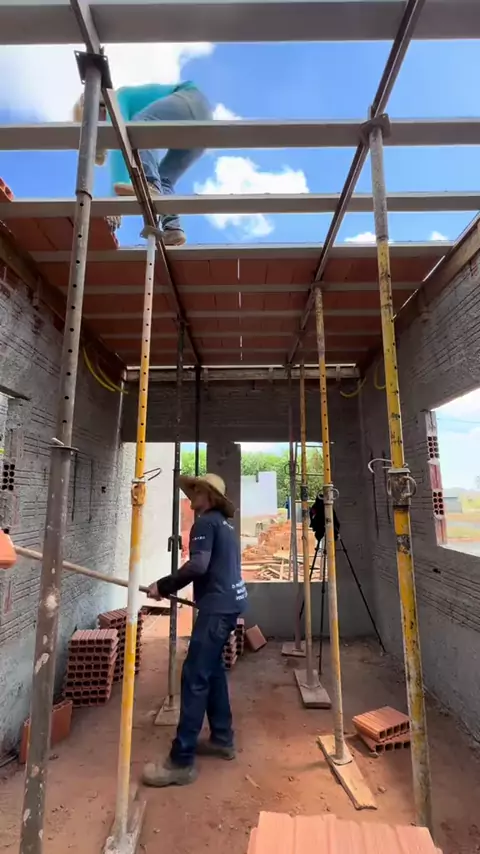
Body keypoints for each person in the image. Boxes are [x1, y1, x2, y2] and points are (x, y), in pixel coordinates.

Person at [142, 472, 247, 788]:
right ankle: (222, 738)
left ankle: (181, 761)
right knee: (211, 672)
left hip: (216, 609)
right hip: (230, 603)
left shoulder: (204, 524)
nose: (192, 495)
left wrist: (163, 585)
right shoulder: (224, 526)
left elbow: (198, 565)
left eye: (198, 491)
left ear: (211, 497)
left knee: (194, 676)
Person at [73, 81, 212, 246]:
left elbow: (119, 141)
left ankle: (150, 184)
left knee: (141, 125)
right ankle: (172, 228)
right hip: (202, 128)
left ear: (99, 109)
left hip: (191, 100)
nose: (103, 125)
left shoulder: (118, 98)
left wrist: (114, 204)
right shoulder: (135, 105)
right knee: (164, 180)